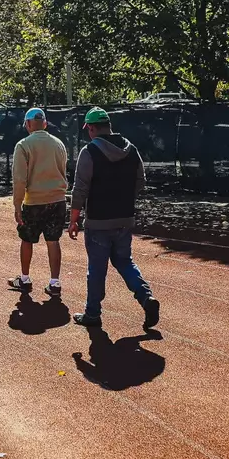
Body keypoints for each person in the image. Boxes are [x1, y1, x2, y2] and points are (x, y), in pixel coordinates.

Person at [69, 107, 160, 330]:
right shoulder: (131, 149)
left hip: (98, 221)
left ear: (91, 128)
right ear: (109, 126)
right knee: (124, 261)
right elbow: (141, 180)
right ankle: (145, 297)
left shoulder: (89, 152)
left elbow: (80, 189)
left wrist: (73, 219)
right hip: (124, 218)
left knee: (97, 268)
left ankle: (93, 313)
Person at [8, 108, 70, 296]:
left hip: (34, 201)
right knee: (53, 240)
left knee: (27, 239)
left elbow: (19, 179)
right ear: (45, 123)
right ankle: (55, 282)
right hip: (58, 200)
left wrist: (17, 205)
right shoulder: (59, 144)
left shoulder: (23, 145)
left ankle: (25, 279)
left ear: (27, 124)